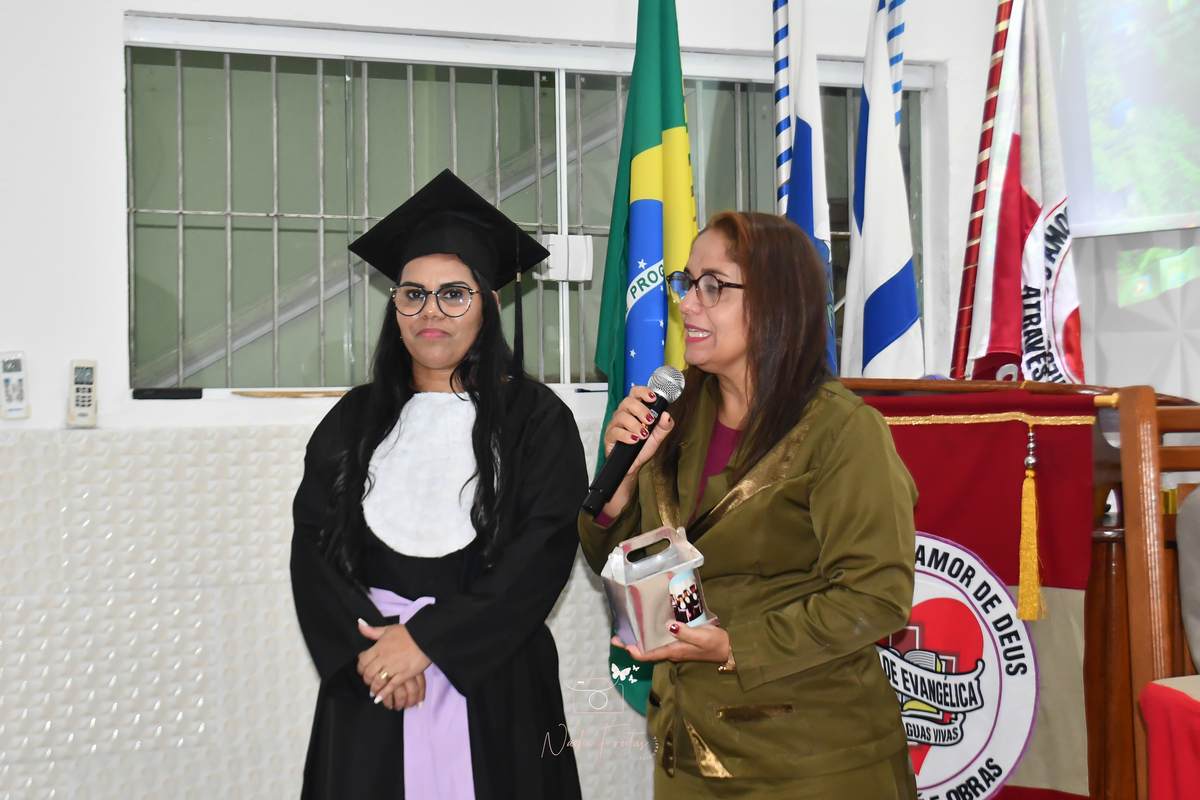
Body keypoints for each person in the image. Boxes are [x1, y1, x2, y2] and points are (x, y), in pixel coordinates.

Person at [579, 211, 918, 798]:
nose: (687, 304)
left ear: (776, 302)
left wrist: (736, 643)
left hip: (811, 761)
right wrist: (623, 482)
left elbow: (875, 597)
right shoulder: (673, 415)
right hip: (686, 750)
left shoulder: (842, 431)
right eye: (686, 283)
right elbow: (626, 560)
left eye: (713, 286)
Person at [292, 170, 586, 800]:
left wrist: (426, 642)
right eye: (413, 295)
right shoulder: (352, 420)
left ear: (490, 304)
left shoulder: (536, 419)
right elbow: (314, 548)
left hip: (497, 678)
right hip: (375, 680)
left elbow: (543, 552)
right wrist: (380, 656)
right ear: (395, 307)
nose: (431, 312)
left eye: (454, 294)